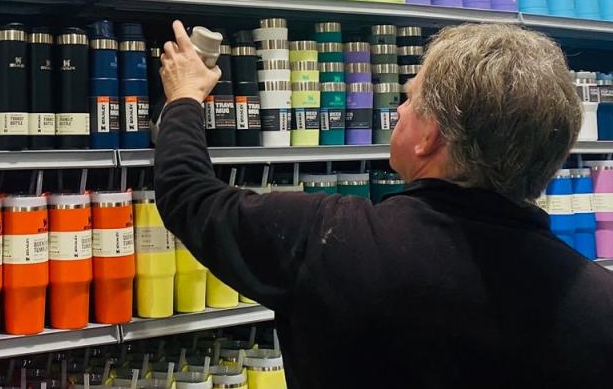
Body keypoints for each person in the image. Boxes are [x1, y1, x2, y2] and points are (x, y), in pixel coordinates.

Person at [155, 20, 613, 389]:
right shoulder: (597, 302)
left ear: (430, 136)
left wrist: (184, 98)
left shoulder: (328, 239)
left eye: (409, 97)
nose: (397, 110)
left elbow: (188, 194)